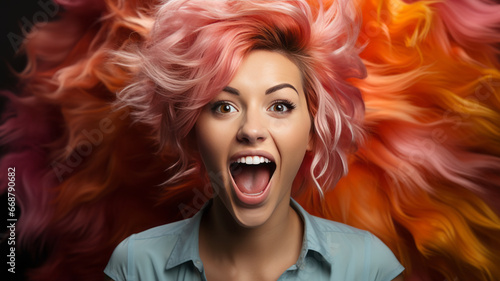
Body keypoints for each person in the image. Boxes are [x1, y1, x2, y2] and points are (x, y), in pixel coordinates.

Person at [103, 0, 404, 280]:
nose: (251, 129)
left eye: (279, 106)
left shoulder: (368, 266)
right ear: (193, 130)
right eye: (224, 107)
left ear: (313, 132)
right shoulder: (137, 267)